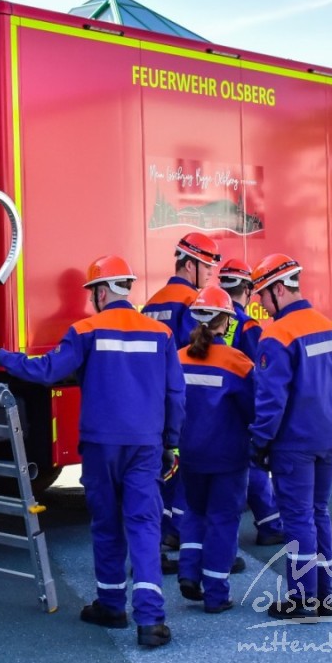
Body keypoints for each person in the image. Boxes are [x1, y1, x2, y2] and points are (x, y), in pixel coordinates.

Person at [0, 255, 184, 648]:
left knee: (106, 524)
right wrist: (172, 442)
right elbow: (175, 394)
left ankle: (111, 606)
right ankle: (151, 621)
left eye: (92, 292)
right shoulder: (161, 334)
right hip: (145, 445)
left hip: (100, 446)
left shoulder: (85, 331)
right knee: (144, 526)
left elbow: (45, 371)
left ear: (101, 292)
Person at [249, 253, 332, 619]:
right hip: (330, 436)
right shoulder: (327, 326)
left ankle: (302, 599)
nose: (260, 303)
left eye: (262, 294)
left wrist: (258, 442)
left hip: (295, 443)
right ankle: (323, 596)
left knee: (297, 519)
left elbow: (271, 400)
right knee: (319, 512)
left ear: (278, 289)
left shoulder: (277, 334)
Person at [174, 286, 253, 614]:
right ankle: (216, 594)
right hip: (228, 458)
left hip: (189, 454)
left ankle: (188, 572)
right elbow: (254, 410)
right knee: (222, 519)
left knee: (194, 512)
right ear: (227, 322)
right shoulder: (238, 363)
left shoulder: (178, 358)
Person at [143, 232, 221, 563]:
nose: (210, 275)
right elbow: (198, 351)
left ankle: (162, 530)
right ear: (190, 265)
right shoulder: (193, 302)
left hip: (152, 398)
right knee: (183, 468)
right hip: (183, 397)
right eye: (207, 267)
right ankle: (179, 532)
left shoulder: (152, 303)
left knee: (161, 468)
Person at [218, 258, 285, 546]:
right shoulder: (248, 326)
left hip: (210, 408)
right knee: (252, 464)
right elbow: (262, 372)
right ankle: (270, 525)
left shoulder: (207, 316)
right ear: (247, 290)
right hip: (241, 406)